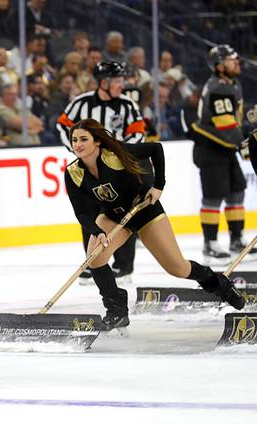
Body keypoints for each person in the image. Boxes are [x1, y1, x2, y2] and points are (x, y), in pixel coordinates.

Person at [65, 119, 245, 332]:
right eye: (74, 140)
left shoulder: (114, 154)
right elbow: (82, 212)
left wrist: (158, 186)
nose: (78, 144)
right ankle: (117, 312)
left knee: (177, 268)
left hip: (144, 211)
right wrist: (97, 231)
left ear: (96, 141)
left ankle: (220, 284)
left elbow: (155, 148)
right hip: (113, 216)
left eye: (83, 139)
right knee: (94, 258)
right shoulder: (73, 173)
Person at [56, 61, 145, 285]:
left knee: (122, 214)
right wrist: (79, 150)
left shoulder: (127, 104)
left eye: (122, 80)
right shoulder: (81, 103)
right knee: (91, 213)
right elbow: (62, 126)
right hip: (90, 170)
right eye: (117, 81)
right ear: (103, 82)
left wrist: (118, 155)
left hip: (118, 172)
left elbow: (138, 132)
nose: (121, 85)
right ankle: (93, 261)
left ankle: (124, 267)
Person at [189, 45, 255, 264]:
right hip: (210, 148)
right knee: (214, 196)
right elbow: (226, 126)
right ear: (219, 65)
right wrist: (245, 143)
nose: (236, 61)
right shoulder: (219, 87)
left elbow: (232, 122)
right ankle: (210, 243)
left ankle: (236, 239)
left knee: (237, 191)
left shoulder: (231, 84)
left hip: (224, 148)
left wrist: (244, 131)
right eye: (230, 59)